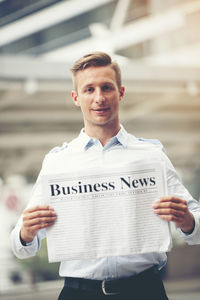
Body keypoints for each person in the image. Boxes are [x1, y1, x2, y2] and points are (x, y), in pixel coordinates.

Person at [11, 52, 200, 300]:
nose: (99, 98)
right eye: (89, 89)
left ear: (120, 92)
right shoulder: (57, 163)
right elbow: (19, 247)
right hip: (79, 294)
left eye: (106, 88)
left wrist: (186, 220)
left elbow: (197, 226)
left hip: (145, 291)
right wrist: (27, 232)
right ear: (76, 98)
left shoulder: (151, 156)